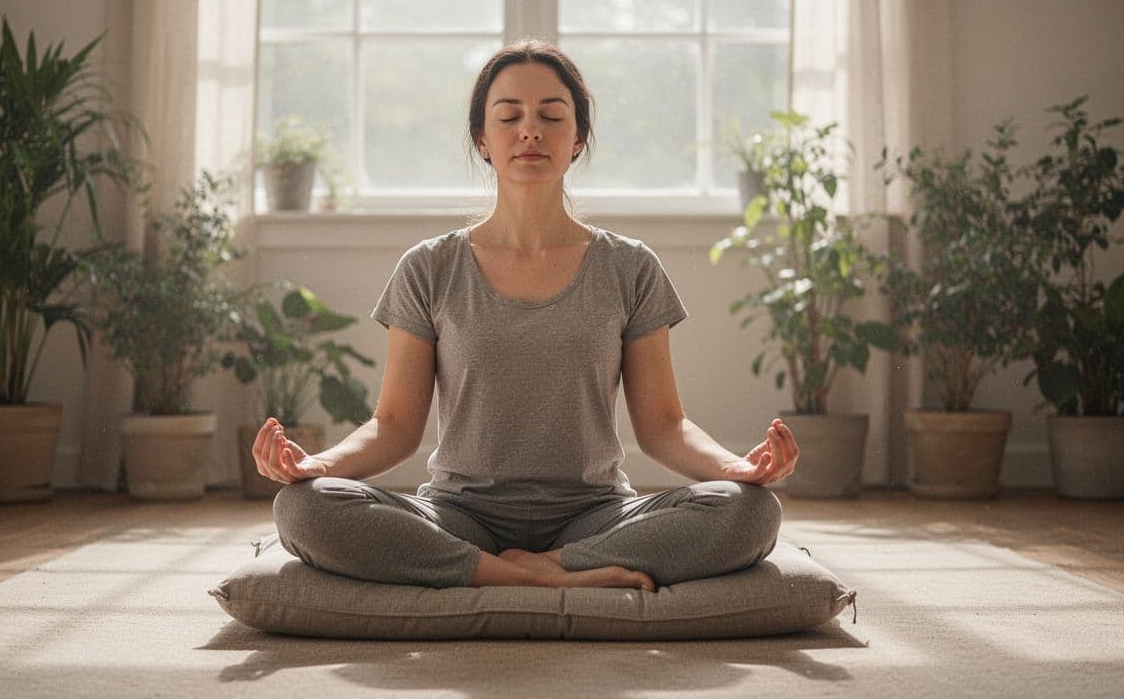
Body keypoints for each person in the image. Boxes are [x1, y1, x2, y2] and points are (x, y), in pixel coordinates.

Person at [254, 40, 799, 593]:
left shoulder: (630, 267)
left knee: (750, 511)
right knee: (302, 507)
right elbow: (394, 427)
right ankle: (536, 576)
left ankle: (543, 564)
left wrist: (735, 469)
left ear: (578, 138)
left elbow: (663, 427)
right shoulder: (429, 267)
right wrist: (319, 466)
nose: (530, 131)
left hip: (594, 515)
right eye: (509, 116)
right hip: (459, 515)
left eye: (551, 116)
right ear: (482, 139)